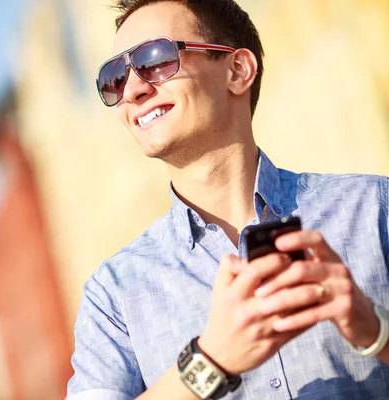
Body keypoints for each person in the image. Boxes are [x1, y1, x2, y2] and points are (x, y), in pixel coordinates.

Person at [66, 0, 389, 399]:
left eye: (155, 59)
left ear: (237, 71)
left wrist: (376, 330)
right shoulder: (113, 294)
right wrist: (210, 360)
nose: (132, 90)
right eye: (115, 77)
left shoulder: (376, 208)